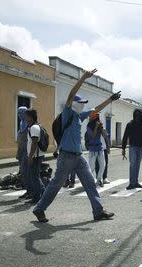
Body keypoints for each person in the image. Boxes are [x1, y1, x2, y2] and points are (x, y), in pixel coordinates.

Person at [32, 68, 119, 223]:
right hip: (66, 156)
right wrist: (83, 78)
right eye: (81, 103)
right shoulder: (67, 114)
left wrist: (110, 99)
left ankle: (98, 212)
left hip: (79, 157)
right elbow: (72, 94)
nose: (83, 106)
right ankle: (39, 209)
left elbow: (96, 109)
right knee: (55, 185)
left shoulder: (79, 117)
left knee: (90, 183)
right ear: (74, 104)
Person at [122, 109, 142, 190]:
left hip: (141, 147)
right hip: (133, 147)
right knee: (133, 164)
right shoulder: (130, 124)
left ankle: (136, 182)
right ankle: (132, 183)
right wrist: (123, 148)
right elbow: (125, 137)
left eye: (139, 115)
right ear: (134, 116)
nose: (137, 116)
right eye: (136, 115)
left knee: (137, 165)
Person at [24, 109, 45, 205]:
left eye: (26, 116)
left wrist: (30, 156)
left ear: (31, 117)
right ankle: (42, 194)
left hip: (35, 156)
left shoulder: (34, 128)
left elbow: (34, 143)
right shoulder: (33, 127)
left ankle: (38, 197)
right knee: (34, 176)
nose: (25, 118)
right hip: (36, 156)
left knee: (34, 177)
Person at [86, 113, 109, 187]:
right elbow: (93, 135)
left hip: (100, 148)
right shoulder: (89, 126)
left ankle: (99, 179)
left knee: (103, 165)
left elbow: (104, 135)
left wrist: (102, 129)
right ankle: (89, 181)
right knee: (91, 167)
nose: (90, 119)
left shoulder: (100, 126)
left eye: (91, 117)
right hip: (92, 149)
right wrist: (96, 126)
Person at [17, 106, 31, 199]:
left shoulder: (29, 124)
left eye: (21, 113)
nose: (19, 115)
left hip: (27, 151)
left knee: (25, 171)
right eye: (18, 113)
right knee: (22, 172)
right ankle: (28, 190)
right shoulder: (22, 123)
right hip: (21, 151)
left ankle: (32, 191)